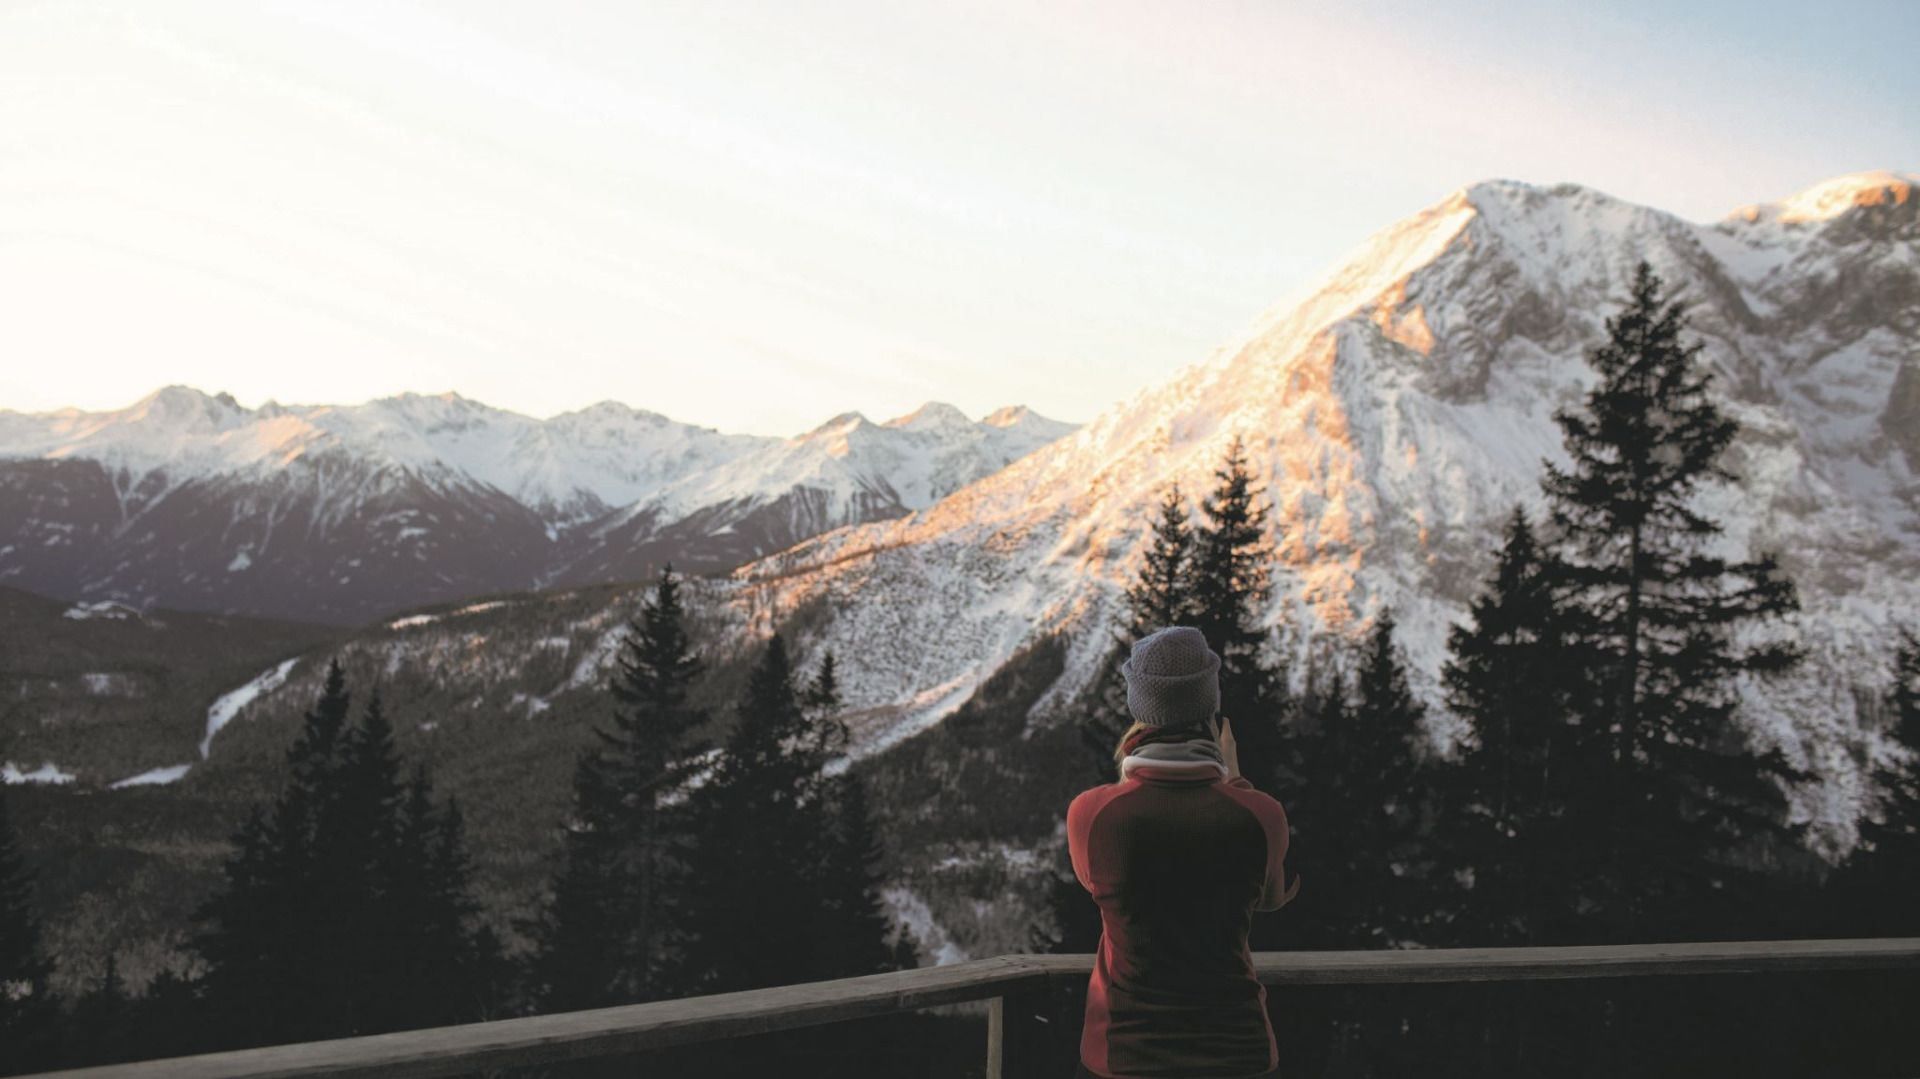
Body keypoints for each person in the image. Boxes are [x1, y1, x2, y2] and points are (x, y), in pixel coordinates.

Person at [1067, 625, 1299, 1079]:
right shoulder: (1259, 814)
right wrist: (1234, 780)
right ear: (1209, 708)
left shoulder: (1093, 816)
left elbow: (1098, 885)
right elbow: (1270, 898)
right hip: (1239, 1055)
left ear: (1140, 710)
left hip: (1122, 1057)